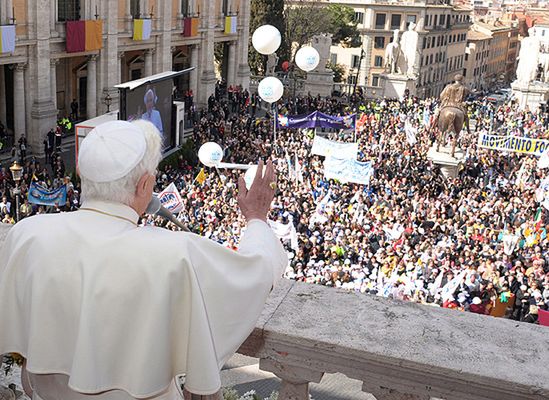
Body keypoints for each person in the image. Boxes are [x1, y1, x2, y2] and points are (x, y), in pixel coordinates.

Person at [0, 120, 286, 400]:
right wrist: (257, 217)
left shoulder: (26, 234)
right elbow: (256, 273)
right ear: (145, 185)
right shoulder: (174, 254)